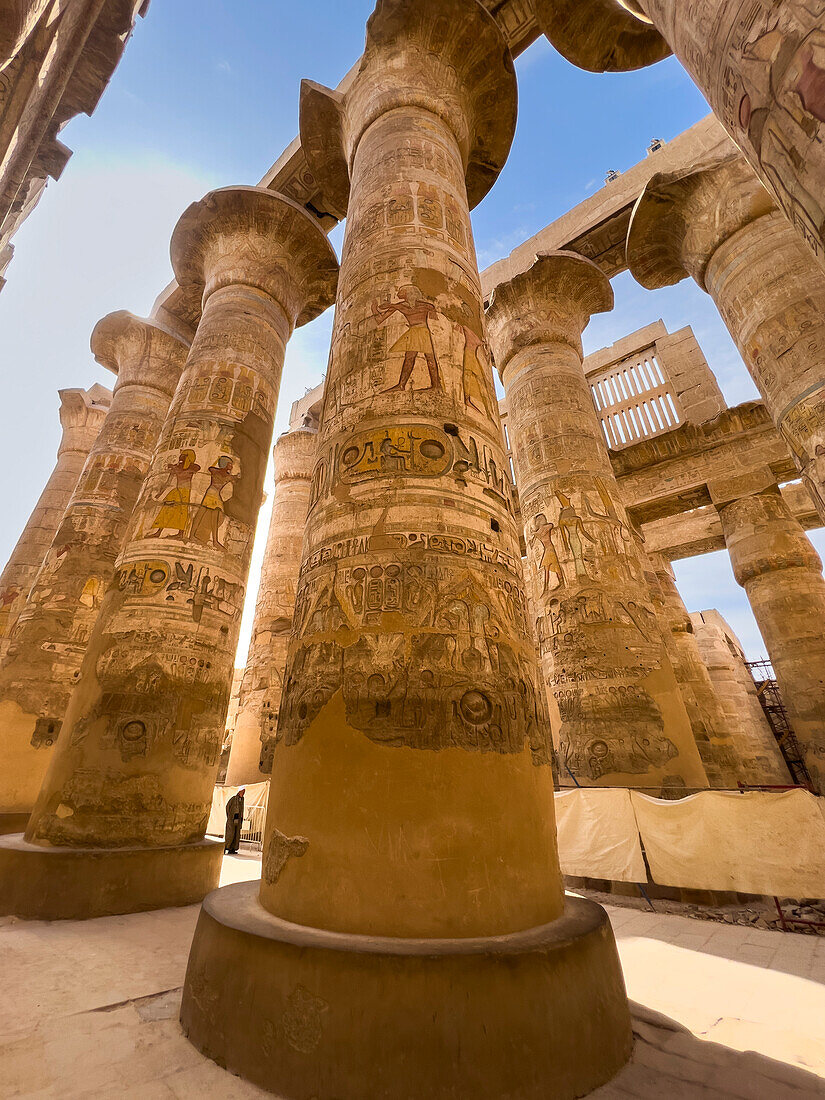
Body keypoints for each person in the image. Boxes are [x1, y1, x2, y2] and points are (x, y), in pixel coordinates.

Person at [224, 787, 245, 854]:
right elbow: (228, 807)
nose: (243, 793)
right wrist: (229, 816)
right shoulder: (233, 799)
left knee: (236, 834)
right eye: (242, 791)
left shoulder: (242, 800)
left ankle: (233, 849)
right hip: (232, 819)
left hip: (238, 820)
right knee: (230, 834)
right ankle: (226, 847)